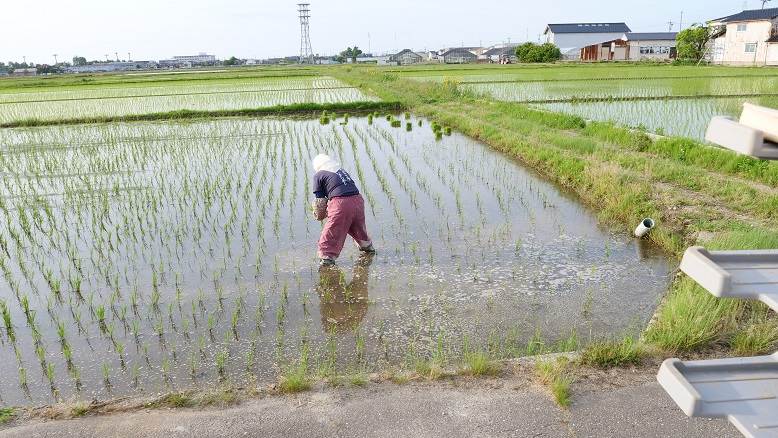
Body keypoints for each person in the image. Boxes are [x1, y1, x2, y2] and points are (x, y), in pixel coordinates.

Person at [311, 154, 375, 266]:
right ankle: (367, 247)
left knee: (332, 230)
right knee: (357, 227)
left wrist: (319, 215)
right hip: (358, 200)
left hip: (341, 203)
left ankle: (327, 258)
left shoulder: (319, 175)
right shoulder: (341, 171)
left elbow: (320, 202)